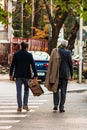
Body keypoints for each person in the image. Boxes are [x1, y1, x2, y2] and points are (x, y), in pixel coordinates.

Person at [9, 42, 37, 112]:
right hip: (26, 76)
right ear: (27, 47)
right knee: (26, 90)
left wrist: (10, 74)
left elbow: (12, 65)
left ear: (21, 47)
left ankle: (19, 107)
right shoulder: (29, 55)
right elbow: (33, 66)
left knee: (18, 91)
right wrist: (35, 75)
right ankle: (25, 105)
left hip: (18, 75)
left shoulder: (16, 54)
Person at [53, 40, 73, 112]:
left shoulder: (57, 51)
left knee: (56, 89)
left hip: (57, 73)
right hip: (65, 74)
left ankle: (55, 104)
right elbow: (70, 64)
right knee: (63, 91)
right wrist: (71, 74)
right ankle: (61, 107)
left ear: (61, 44)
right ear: (66, 45)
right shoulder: (68, 52)